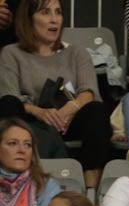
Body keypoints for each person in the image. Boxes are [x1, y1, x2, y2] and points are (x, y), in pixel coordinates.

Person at [0, 0, 112, 187]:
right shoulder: (11, 53)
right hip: (31, 122)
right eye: (45, 12)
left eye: (58, 12)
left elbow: (89, 92)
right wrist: (40, 112)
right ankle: (13, 183)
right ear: (28, 19)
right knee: (8, 105)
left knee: (96, 111)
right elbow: (9, 95)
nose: (54, 20)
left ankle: (90, 190)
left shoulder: (77, 52)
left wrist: (69, 109)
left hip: (69, 120)